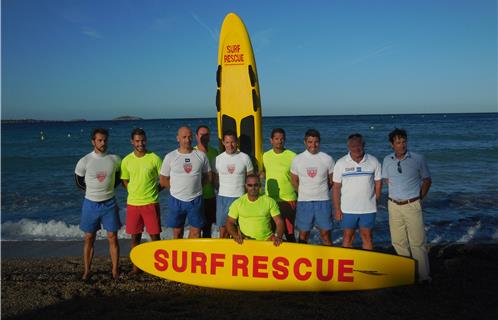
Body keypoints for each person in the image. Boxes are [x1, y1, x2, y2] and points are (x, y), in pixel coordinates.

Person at [382, 128, 432, 283]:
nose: (402, 145)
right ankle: (406, 273)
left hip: (412, 204)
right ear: (392, 144)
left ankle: (423, 276)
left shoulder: (418, 159)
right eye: (398, 142)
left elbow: (427, 180)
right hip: (393, 205)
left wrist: (419, 197)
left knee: (417, 242)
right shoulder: (387, 160)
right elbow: (385, 180)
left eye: (404, 142)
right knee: (398, 241)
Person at [75, 128, 121, 280]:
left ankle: (115, 270)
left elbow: (119, 178)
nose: (103, 143)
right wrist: (94, 192)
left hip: (109, 203)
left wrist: (107, 190)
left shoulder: (115, 159)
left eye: (105, 140)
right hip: (90, 204)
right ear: (93, 141)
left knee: (112, 236)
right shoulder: (85, 161)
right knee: (89, 237)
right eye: (100, 140)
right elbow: (78, 182)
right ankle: (87, 271)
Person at [121, 128, 163, 275]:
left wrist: (155, 190)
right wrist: (133, 191)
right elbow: (124, 181)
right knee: (135, 239)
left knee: (155, 238)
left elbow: (163, 179)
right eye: (137, 141)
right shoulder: (126, 160)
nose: (141, 143)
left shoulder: (155, 158)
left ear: (146, 140)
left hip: (151, 203)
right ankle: (136, 268)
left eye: (143, 140)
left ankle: (159, 269)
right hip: (133, 204)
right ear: (132, 142)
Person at [332, 133, 382, 250]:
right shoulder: (341, 163)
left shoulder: (373, 161)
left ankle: (368, 264)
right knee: (348, 238)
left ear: (363, 145)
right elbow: (336, 188)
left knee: (367, 237)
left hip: (368, 209)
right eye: (353, 146)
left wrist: (376, 199)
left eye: (359, 145)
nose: (357, 148)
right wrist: (337, 209)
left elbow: (378, 183)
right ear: (348, 147)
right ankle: (346, 265)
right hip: (347, 210)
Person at [160, 126, 211, 239]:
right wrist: (176, 189)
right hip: (176, 200)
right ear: (178, 138)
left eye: (189, 137)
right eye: (184, 137)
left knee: (196, 233)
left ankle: (192, 255)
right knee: (177, 233)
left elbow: (208, 176)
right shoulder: (170, 157)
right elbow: (163, 179)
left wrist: (197, 187)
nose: (187, 140)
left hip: (196, 199)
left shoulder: (201, 155)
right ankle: (179, 255)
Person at [291, 129, 335, 245]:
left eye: (316, 142)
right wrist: (303, 192)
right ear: (305, 142)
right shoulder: (297, 159)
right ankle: (303, 258)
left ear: (319, 142)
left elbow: (332, 181)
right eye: (310, 142)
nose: (313, 145)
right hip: (304, 202)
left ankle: (328, 259)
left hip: (323, 202)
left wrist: (321, 191)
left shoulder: (327, 159)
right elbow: (294, 181)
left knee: (326, 235)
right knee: (303, 235)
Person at [214, 131, 254, 238]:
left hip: (240, 198)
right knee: (223, 230)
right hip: (223, 198)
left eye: (233, 142)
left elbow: (250, 179)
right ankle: (223, 252)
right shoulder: (218, 159)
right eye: (227, 142)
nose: (230, 145)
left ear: (237, 142)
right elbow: (215, 180)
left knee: (241, 230)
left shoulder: (245, 157)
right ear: (223, 143)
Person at [226, 174, 284, 246]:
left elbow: (279, 221)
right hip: (245, 242)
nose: (253, 188)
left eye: (255, 185)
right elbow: (229, 222)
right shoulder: (238, 203)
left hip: (266, 242)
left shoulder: (269, 201)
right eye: (250, 185)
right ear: (246, 186)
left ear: (260, 186)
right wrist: (235, 235)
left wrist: (278, 237)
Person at [261, 128, 297, 242]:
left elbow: (298, 178)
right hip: (270, 199)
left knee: (289, 232)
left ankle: (293, 256)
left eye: (282, 139)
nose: (279, 141)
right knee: (269, 232)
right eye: (276, 139)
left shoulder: (292, 156)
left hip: (288, 199)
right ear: (271, 140)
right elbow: (263, 172)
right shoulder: (265, 156)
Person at [194, 125, 219, 238]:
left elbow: (216, 174)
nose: (204, 137)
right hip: (196, 197)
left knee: (208, 228)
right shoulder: (192, 152)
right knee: (196, 229)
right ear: (196, 136)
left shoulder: (214, 152)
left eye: (207, 135)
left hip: (210, 196)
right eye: (201, 135)